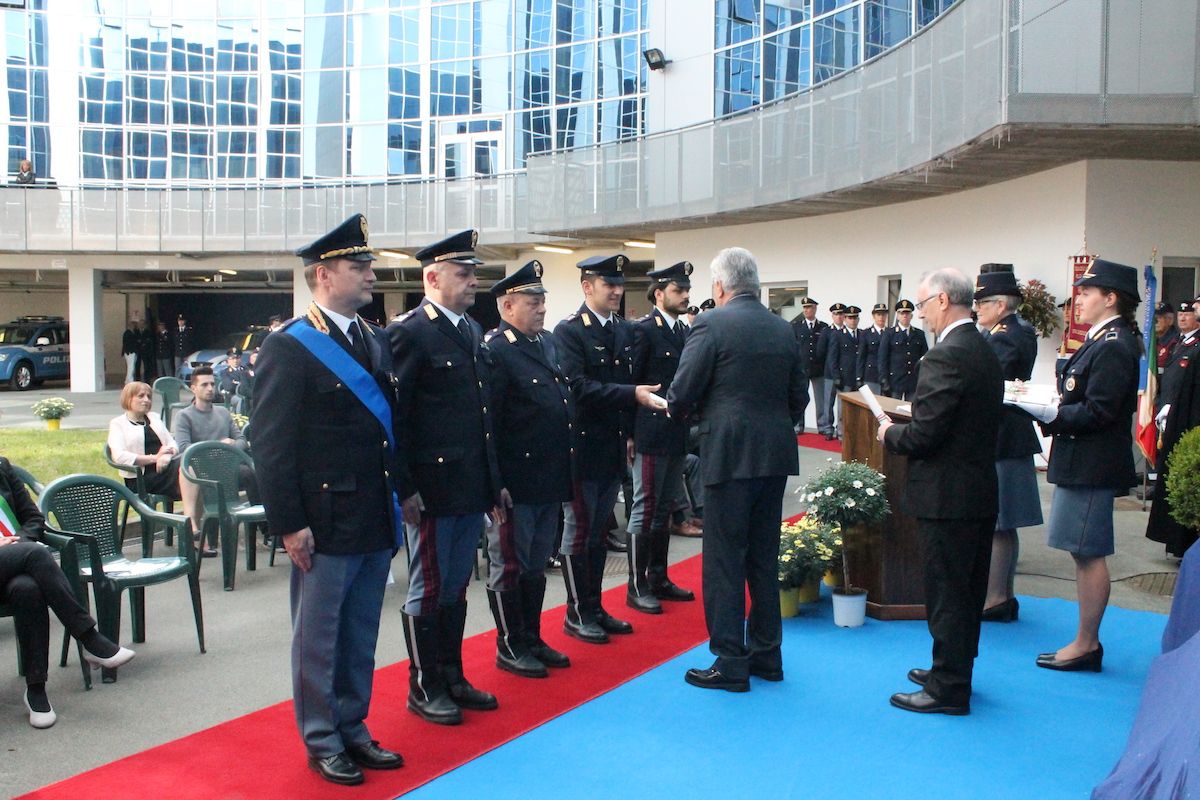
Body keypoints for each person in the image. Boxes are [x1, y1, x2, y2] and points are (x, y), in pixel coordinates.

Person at [253, 213, 404, 786]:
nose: (370, 274)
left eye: (369, 264)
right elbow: (270, 445)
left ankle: (353, 726)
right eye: (357, 265)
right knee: (318, 638)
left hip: (371, 512)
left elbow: (386, 431)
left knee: (361, 631)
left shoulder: (372, 337)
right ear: (323, 275)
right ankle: (321, 739)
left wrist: (402, 494)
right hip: (323, 518)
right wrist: (290, 524)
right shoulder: (289, 347)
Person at [669, 247, 808, 693]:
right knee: (763, 558)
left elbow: (683, 391)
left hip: (728, 457)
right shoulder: (782, 328)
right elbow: (798, 396)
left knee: (726, 561)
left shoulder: (709, 323)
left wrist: (691, 420)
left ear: (720, 286)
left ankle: (730, 661)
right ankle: (768, 655)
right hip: (774, 456)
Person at [388, 229, 504, 725]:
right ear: (432, 277)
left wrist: (492, 479)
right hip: (432, 488)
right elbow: (395, 418)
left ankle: (452, 675)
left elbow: (482, 416)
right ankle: (424, 684)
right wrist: (405, 486)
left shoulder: (472, 330)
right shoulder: (410, 332)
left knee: (456, 586)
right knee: (428, 587)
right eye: (464, 273)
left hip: (468, 483)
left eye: (475, 272)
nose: (473, 280)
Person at [877, 268, 1003, 715]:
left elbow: (925, 437)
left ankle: (948, 688)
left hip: (947, 496)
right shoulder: (983, 349)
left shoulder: (945, 356)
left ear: (944, 300)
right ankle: (953, 667)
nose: (920, 314)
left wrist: (890, 434)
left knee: (947, 591)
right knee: (966, 590)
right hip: (976, 489)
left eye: (923, 304)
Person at [1026, 259, 1140, 673]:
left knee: (1089, 553)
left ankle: (1087, 643)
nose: (1080, 301)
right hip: (1083, 460)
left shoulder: (1114, 343)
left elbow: (1100, 412)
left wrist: (1047, 414)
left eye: (1088, 293)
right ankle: (1084, 640)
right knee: (1081, 552)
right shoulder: (1104, 339)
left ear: (1111, 299)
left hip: (1093, 463)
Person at [553, 254, 663, 645]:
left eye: (620, 285)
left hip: (612, 446)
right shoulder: (569, 332)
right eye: (608, 284)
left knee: (598, 533)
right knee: (578, 532)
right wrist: (631, 395)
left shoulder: (621, 329)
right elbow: (577, 387)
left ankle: (595, 606)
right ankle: (576, 611)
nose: (617, 291)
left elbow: (624, 381)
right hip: (582, 449)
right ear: (587, 287)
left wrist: (630, 431)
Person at [483, 260, 573, 676]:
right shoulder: (497, 352)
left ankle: (532, 636)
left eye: (542, 301)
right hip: (516, 481)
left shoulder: (547, 343)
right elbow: (491, 425)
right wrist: (495, 483)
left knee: (536, 564)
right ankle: (510, 644)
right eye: (532, 302)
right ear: (507, 306)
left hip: (548, 476)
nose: (541, 309)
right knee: (510, 564)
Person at [1, 456, 136, 729]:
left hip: (10, 564)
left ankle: (36, 688)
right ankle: (89, 638)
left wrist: (18, 544)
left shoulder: (2, 467)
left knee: (28, 589)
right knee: (36, 553)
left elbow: (32, 519)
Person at [626, 261, 697, 615]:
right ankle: (636, 584)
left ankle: (659, 577)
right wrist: (629, 434)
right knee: (645, 507)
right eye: (678, 290)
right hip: (650, 432)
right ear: (659, 294)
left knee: (665, 509)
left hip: (675, 433)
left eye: (686, 290)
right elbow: (633, 385)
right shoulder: (644, 331)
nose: (685, 295)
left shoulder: (683, 332)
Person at [973, 270, 1043, 622]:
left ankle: (996, 597)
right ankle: (1002, 594)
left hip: (1003, 434)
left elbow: (987, 383)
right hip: (1009, 433)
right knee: (1005, 521)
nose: (977, 308)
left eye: (982, 302)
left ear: (1000, 304)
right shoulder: (1011, 331)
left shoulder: (1006, 336)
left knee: (1000, 521)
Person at [173, 365, 254, 537]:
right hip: (201, 468)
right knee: (196, 473)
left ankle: (266, 529)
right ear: (193, 388)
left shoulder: (223, 412)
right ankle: (197, 529)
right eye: (204, 385)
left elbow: (241, 441)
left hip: (228, 468)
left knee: (253, 472)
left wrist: (230, 446)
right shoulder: (184, 416)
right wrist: (219, 446)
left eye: (212, 384)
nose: (210, 388)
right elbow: (184, 449)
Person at [1146, 301, 1200, 558]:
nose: (1185, 318)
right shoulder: (1180, 343)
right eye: (1182, 313)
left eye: (1190, 312)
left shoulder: (1194, 345)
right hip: (1174, 412)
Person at [790, 296, 829, 435]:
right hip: (801, 367)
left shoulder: (823, 327)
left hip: (818, 368)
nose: (807, 310)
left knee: (821, 399)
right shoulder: (796, 326)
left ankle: (822, 426)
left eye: (809, 307)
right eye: (805, 308)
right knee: (800, 397)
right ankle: (798, 425)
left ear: (815, 308)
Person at [877, 298, 929, 400]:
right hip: (895, 381)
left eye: (907, 313)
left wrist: (924, 379)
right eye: (901, 313)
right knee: (893, 412)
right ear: (897, 315)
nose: (904, 315)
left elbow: (924, 358)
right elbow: (882, 358)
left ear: (911, 315)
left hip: (913, 381)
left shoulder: (919, 334)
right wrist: (884, 379)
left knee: (912, 412)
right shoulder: (889, 334)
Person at [825, 304, 862, 439]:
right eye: (850, 318)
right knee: (843, 409)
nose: (852, 321)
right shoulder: (837, 335)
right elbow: (832, 358)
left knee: (857, 408)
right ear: (845, 319)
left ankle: (853, 432)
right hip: (844, 377)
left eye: (855, 318)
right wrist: (836, 376)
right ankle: (841, 433)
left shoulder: (862, 334)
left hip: (857, 377)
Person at [819, 303, 847, 439]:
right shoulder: (827, 331)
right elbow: (821, 352)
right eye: (836, 314)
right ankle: (827, 428)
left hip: (845, 374)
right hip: (830, 373)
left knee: (842, 405)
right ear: (832, 316)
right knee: (828, 403)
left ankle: (840, 429)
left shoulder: (848, 332)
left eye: (841, 314)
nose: (839, 317)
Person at [858, 303, 889, 394]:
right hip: (871, 375)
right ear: (873, 316)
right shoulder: (866, 333)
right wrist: (859, 377)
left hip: (887, 376)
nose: (881, 317)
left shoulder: (890, 332)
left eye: (883, 315)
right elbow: (861, 356)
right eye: (878, 315)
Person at [219, 348, 248, 414]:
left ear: (240, 359)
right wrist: (242, 384)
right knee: (241, 400)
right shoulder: (225, 372)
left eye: (237, 358)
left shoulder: (246, 369)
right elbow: (228, 387)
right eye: (232, 359)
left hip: (247, 394)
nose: (235, 361)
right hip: (232, 395)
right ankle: (240, 418)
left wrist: (236, 383)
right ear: (228, 360)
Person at [1155, 301, 1179, 374]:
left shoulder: (1176, 342)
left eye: (1159, 317)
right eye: (1154, 318)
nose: (1155, 321)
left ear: (1170, 320)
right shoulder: (1149, 341)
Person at [121, 320, 141, 385]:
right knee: (131, 366)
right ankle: (129, 380)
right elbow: (126, 343)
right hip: (129, 352)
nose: (133, 327)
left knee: (132, 367)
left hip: (134, 352)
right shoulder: (127, 333)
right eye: (132, 325)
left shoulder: (134, 332)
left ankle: (129, 379)